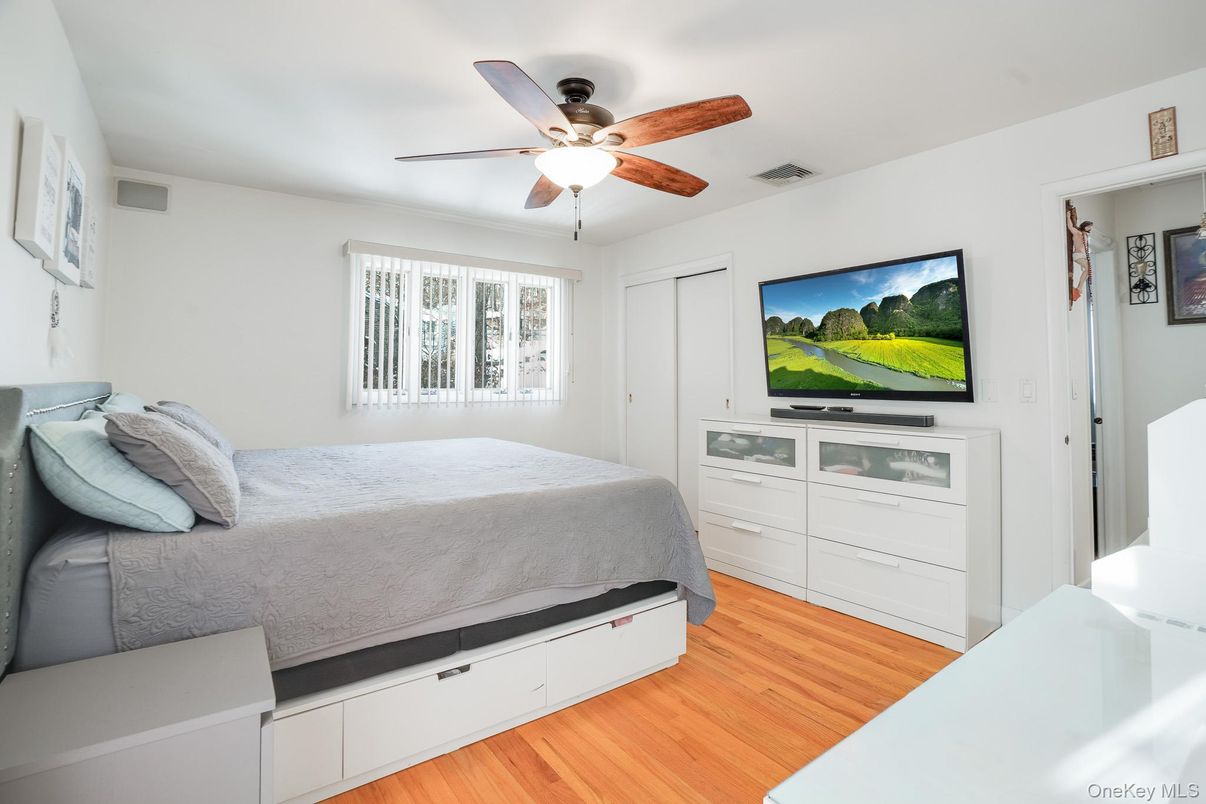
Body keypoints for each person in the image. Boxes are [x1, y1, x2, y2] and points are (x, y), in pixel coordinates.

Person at [1067, 210, 1094, 303]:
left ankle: (1079, 288)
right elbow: (1070, 227)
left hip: (1083, 256)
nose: (1090, 227)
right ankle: (1079, 288)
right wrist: (1068, 216)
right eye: (1089, 226)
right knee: (1088, 268)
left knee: (1088, 270)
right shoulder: (1078, 233)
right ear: (1084, 225)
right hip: (1078, 255)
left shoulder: (1085, 235)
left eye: (1091, 227)